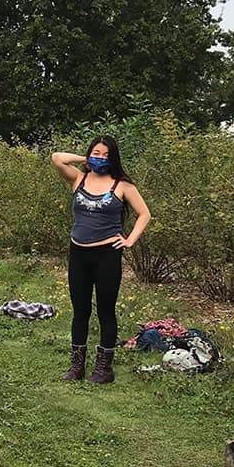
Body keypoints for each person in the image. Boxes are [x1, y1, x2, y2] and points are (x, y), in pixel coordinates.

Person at [51, 136, 151, 384]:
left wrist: (129, 240)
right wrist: (87, 159)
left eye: (106, 155)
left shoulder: (122, 185)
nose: (100, 158)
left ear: (114, 158)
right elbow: (56, 158)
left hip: (107, 255)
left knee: (106, 311)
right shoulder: (78, 178)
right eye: (97, 153)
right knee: (80, 311)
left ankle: (104, 369)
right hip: (78, 254)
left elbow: (144, 214)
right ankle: (77, 367)